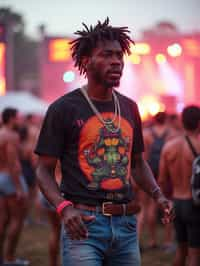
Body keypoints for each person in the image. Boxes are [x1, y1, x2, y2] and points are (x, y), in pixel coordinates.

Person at [35, 18, 174, 266]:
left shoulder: (130, 108)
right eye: (107, 55)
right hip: (84, 225)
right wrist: (64, 208)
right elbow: (43, 170)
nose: (116, 62)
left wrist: (158, 195)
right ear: (87, 62)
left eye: (119, 56)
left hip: (126, 226)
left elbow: (137, 163)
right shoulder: (64, 108)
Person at [159, 105, 200, 266]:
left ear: (182, 122)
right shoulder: (198, 146)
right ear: (198, 123)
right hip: (194, 205)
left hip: (176, 202)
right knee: (195, 256)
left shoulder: (169, 146)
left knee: (181, 252)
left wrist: (166, 204)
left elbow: (162, 180)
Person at [137, 112, 176, 250]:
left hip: (149, 174)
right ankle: (167, 241)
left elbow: (143, 158)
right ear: (165, 119)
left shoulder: (146, 133)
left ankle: (150, 240)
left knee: (145, 207)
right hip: (165, 173)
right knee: (167, 206)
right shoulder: (172, 133)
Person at [0, 108, 29, 266]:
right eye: (18, 118)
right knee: (17, 220)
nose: (21, 120)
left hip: (1, 177)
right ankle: (9, 258)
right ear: (11, 119)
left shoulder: (0, 133)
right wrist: (18, 187)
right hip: (11, 179)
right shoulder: (11, 135)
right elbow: (13, 163)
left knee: (3, 220)